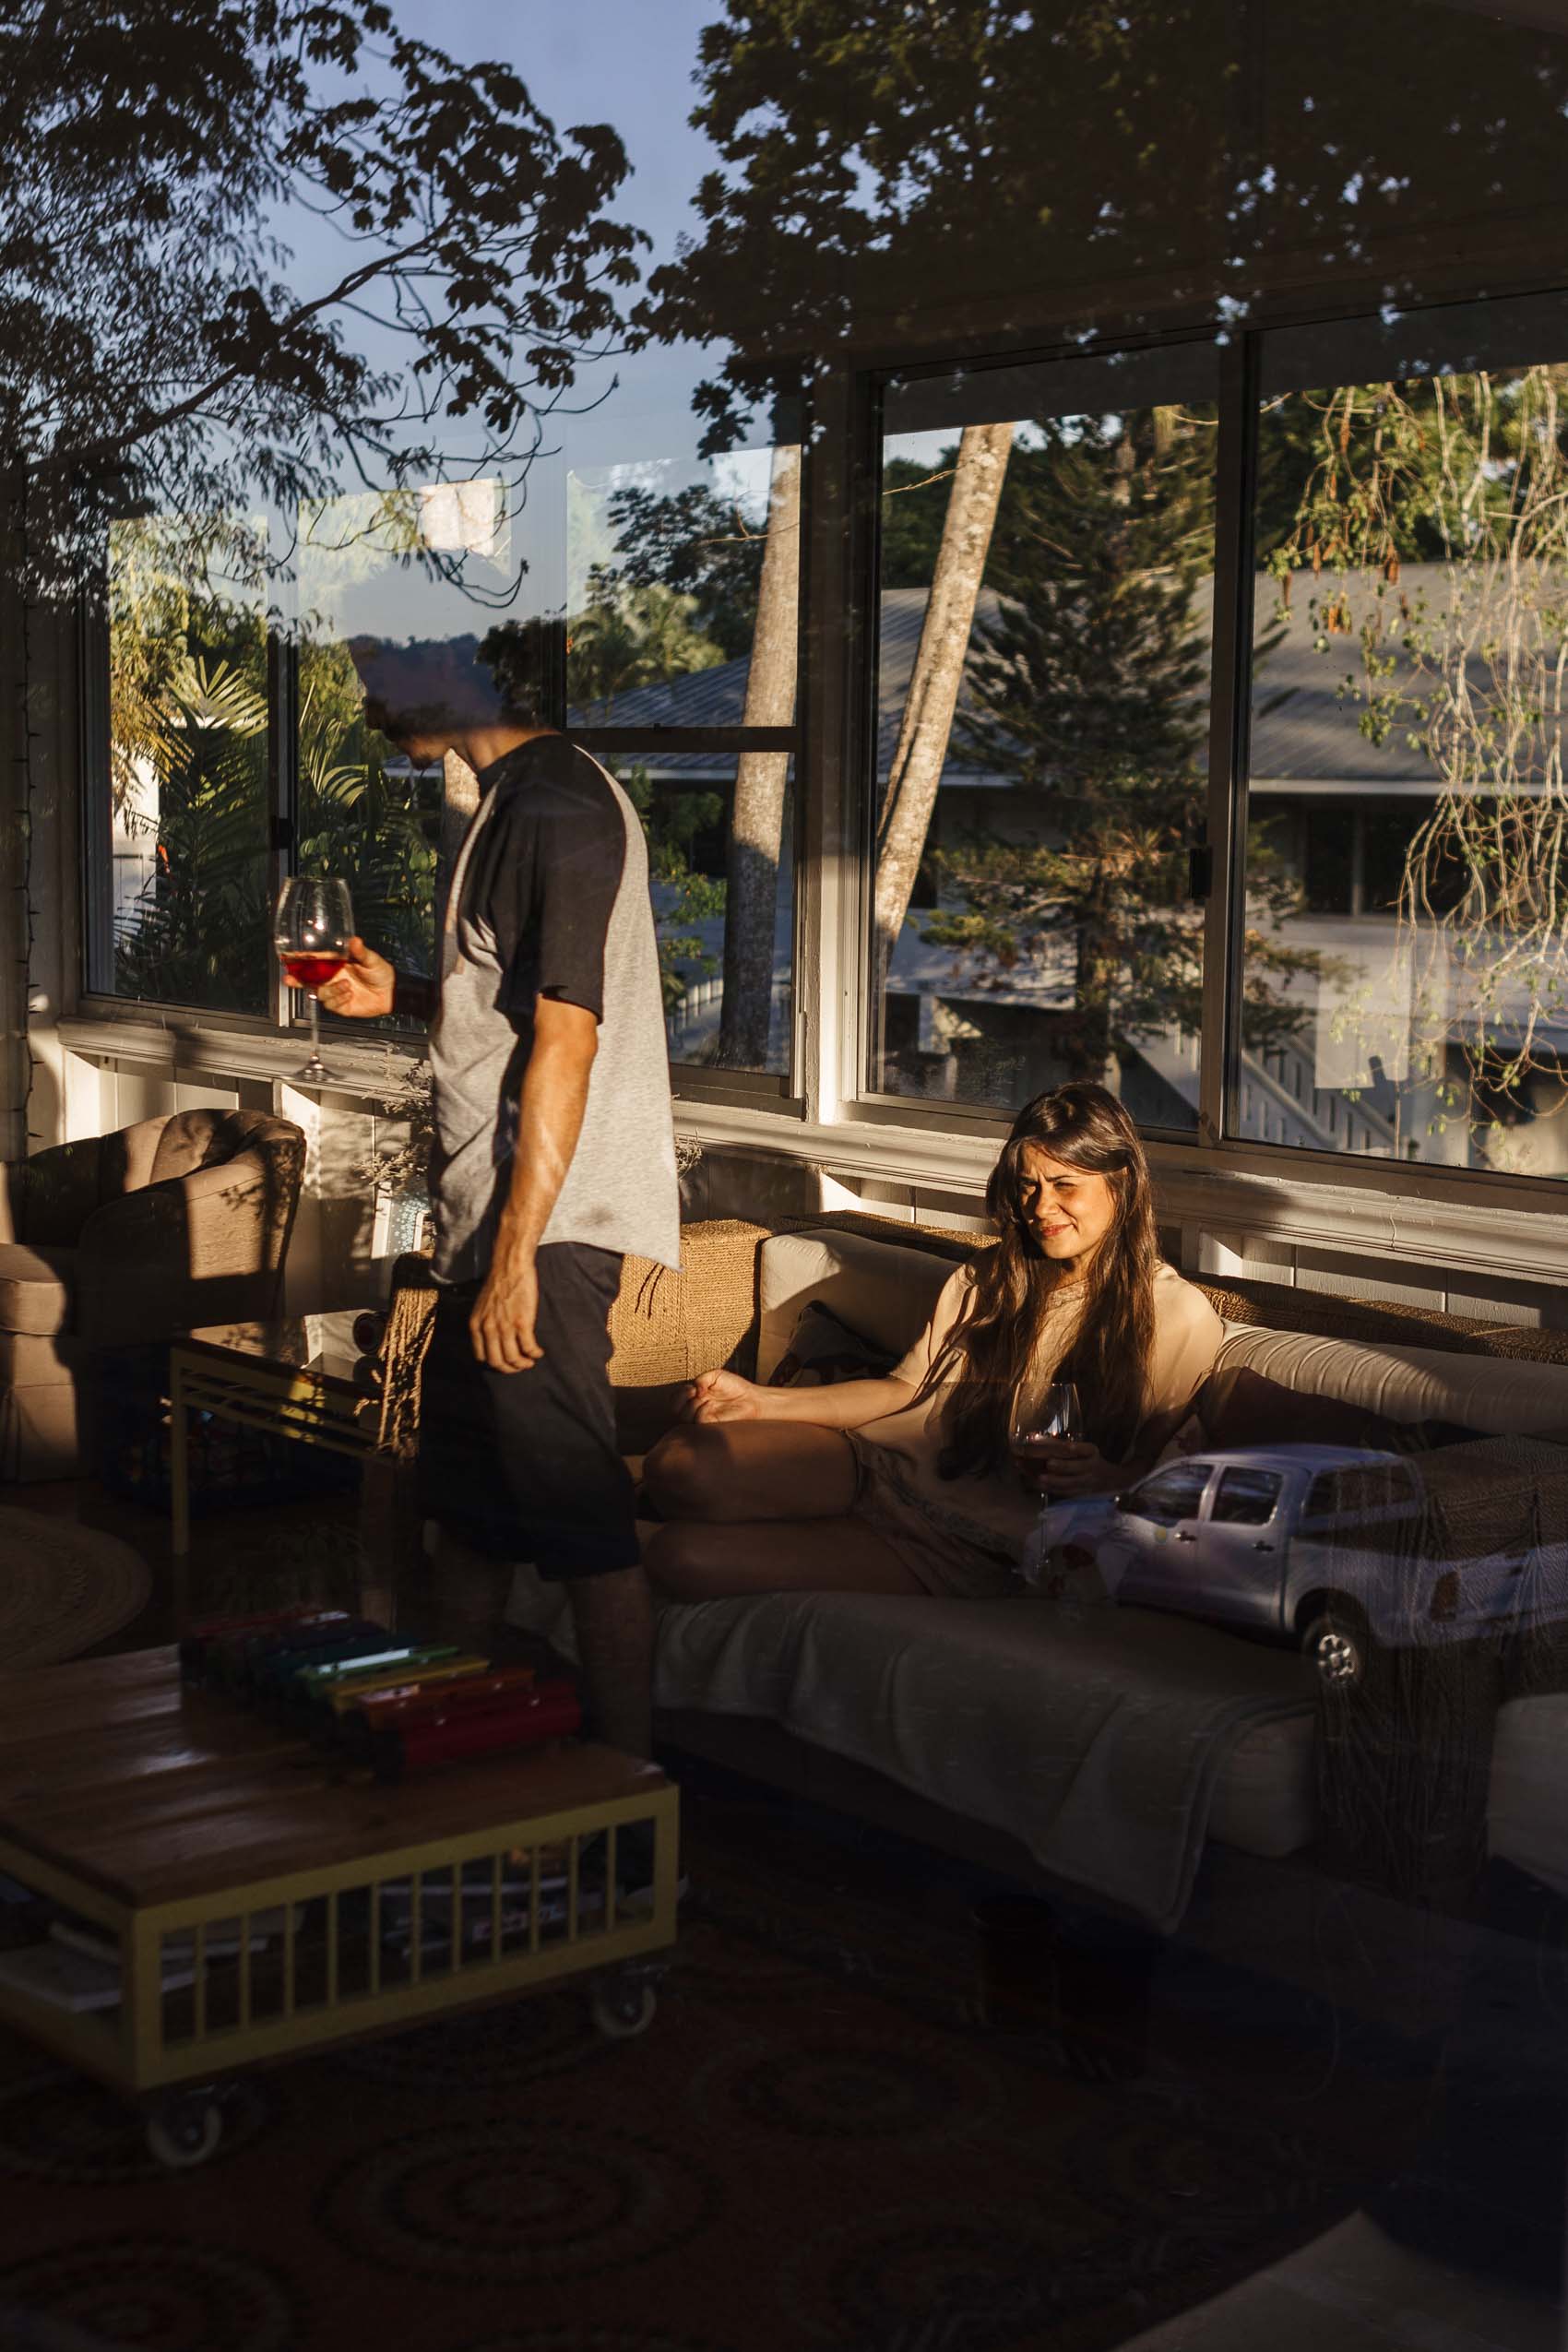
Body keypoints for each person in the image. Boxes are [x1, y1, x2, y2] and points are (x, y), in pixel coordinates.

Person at [318, 623, 680, 1764]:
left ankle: (635, 1803)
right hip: (490, 1226)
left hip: (550, 1231)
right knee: (466, 1524)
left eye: (379, 675)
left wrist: (519, 1257)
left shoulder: (556, 805)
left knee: (586, 1534)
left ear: (446, 669)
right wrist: (414, 995)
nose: (370, 700)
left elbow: (568, 1040)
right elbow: (512, 1015)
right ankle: (438, 1770)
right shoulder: (505, 801)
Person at [641, 1082, 1222, 1603]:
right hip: (888, 1468)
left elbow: (1165, 1484)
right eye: (1028, 1186)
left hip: (978, 1544)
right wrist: (761, 1402)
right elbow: (906, 1389)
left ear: (1121, 1183)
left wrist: (1100, 1480)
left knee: (680, 1558)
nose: (1041, 1208)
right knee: (681, 1463)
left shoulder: (1175, 1315)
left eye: (1065, 1185)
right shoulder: (995, 1276)